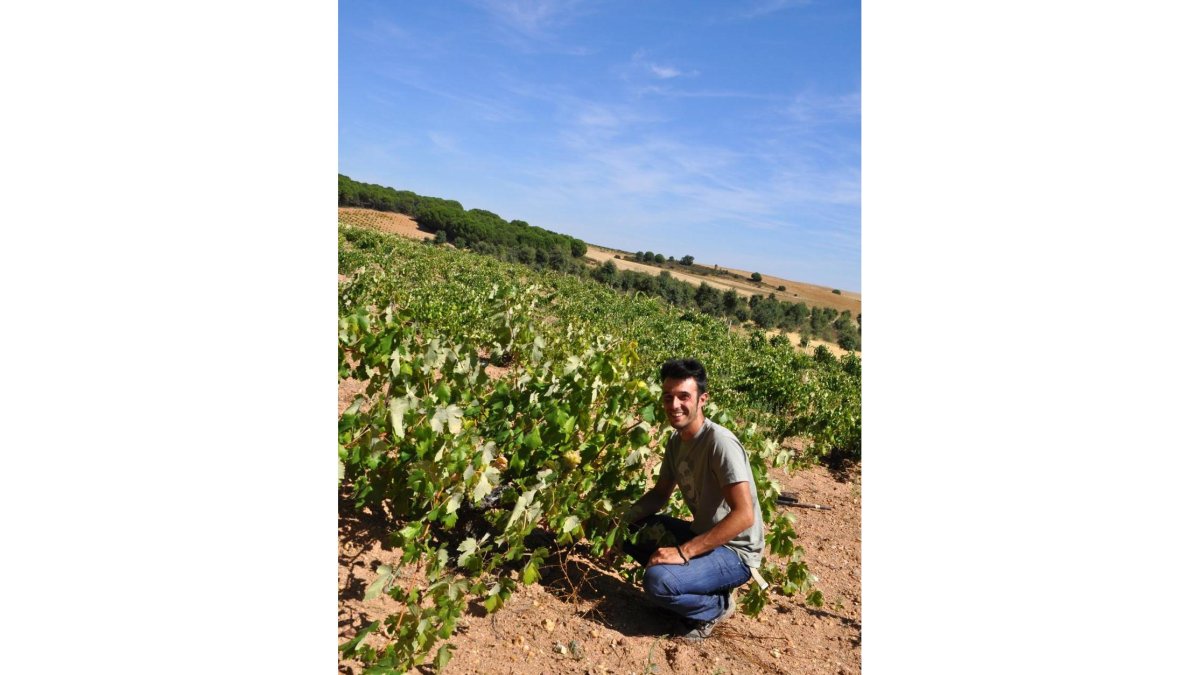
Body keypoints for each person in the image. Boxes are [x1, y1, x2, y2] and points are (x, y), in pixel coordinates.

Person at [620, 358, 765, 641]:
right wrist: (618, 523)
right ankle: (696, 585)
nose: (674, 405)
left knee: (658, 581)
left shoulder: (720, 443)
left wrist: (684, 552)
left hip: (735, 553)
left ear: (702, 400)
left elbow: (744, 515)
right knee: (632, 532)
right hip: (704, 535)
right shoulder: (676, 442)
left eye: (684, 396)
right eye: (668, 397)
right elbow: (660, 494)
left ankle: (714, 607)